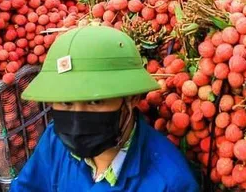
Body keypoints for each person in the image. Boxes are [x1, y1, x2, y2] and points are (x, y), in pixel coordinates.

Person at [10, 26, 199, 191]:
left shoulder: (170, 182)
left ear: (132, 99)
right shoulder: (55, 139)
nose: (76, 123)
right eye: (66, 102)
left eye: (95, 102)